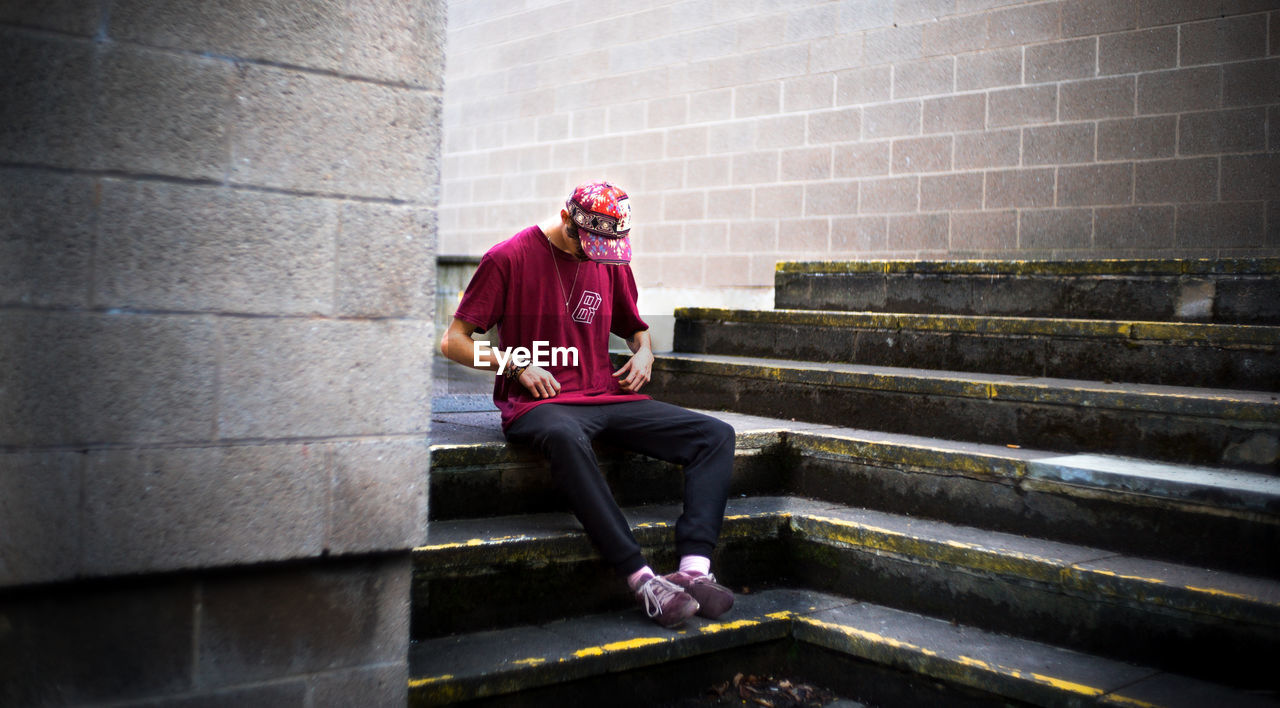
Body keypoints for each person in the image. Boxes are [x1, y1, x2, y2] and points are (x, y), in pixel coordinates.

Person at [439, 181, 736, 628]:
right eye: (588, 246)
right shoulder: (507, 258)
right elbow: (453, 343)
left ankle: (694, 572)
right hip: (541, 403)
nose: (595, 256)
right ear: (565, 219)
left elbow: (634, 327)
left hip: (605, 394)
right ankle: (643, 580)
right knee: (565, 436)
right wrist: (513, 365)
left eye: (606, 249)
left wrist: (645, 352)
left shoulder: (608, 255)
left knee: (715, 435)